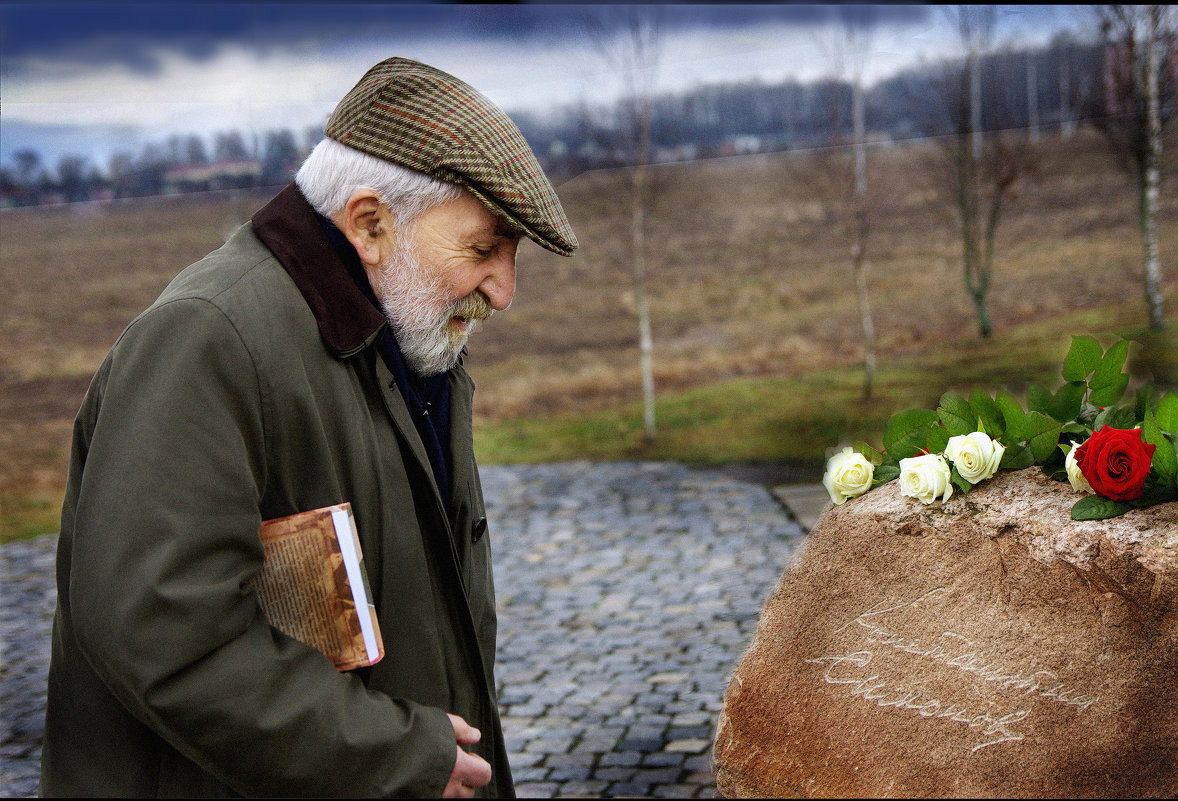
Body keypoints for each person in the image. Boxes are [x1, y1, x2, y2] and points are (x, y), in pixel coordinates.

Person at [39, 57, 577, 798]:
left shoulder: (414, 336)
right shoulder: (207, 342)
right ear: (369, 223)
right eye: (484, 249)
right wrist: (397, 755)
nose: (504, 292)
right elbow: (165, 637)